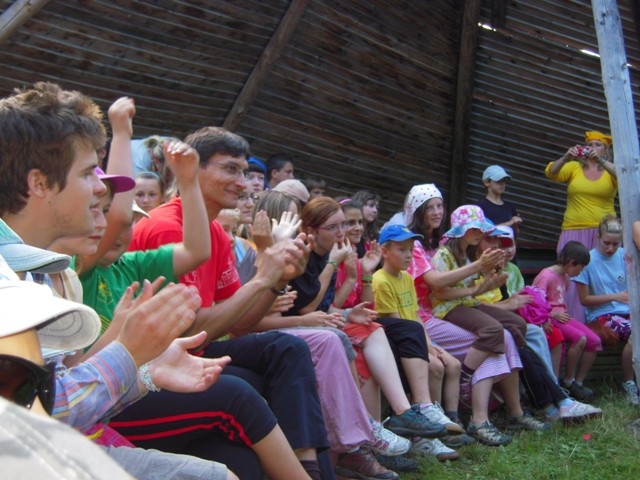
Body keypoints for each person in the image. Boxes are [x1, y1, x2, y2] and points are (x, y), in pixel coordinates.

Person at [129, 126, 334, 479]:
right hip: (158, 363)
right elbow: (187, 331)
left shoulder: (215, 233)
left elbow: (239, 323)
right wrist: (263, 278)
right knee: (248, 401)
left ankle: (308, 466)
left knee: (287, 350)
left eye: (243, 171)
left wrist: (277, 280)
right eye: (230, 169)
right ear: (193, 169)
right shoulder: (167, 228)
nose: (243, 183)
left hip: (193, 351)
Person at [429, 205, 548, 443]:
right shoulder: (443, 255)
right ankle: (466, 378)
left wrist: (494, 276)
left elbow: (478, 286)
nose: (480, 234)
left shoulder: (469, 253)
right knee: (494, 331)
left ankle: (514, 406)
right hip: (448, 307)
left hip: (468, 303)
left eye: (481, 229)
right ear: (462, 231)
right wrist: (478, 285)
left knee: (516, 324)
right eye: (476, 229)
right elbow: (440, 292)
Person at [545, 129, 617, 322]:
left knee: (598, 275)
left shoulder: (610, 170)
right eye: (589, 144)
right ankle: (569, 321)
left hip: (602, 232)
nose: (592, 148)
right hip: (573, 229)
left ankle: (599, 322)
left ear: (606, 149)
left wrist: (601, 161)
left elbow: (623, 175)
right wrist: (565, 157)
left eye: (598, 145)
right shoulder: (575, 167)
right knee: (569, 273)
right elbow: (551, 172)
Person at [573, 215, 637, 404]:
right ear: (597, 237)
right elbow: (584, 300)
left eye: (615, 244)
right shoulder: (588, 260)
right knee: (636, 335)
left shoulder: (626, 256)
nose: (610, 248)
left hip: (628, 311)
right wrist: (615, 297)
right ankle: (629, 383)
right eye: (606, 243)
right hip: (602, 314)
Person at [532, 241, 603, 401]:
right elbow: (535, 301)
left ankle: (578, 382)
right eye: (581, 267)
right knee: (580, 338)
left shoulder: (564, 277)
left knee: (595, 341)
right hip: (551, 319)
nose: (581, 271)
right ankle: (568, 381)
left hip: (563, 317)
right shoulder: (546, 276)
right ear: (572, 263)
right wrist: (551, 315)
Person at [475, 165, 522, 235]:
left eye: (504, 181)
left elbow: (515, 235)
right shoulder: (479, 207)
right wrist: (508, 223)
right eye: (498, 181)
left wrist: (515, 225)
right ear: (486, 182)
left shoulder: (510, 207)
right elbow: (480, 234)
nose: (502, 184)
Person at [352, 190, 381, 257]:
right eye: (371, 205)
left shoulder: (376, 236)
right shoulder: (351, 233)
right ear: (360, 204)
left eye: (377, 207)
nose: (375, 210)